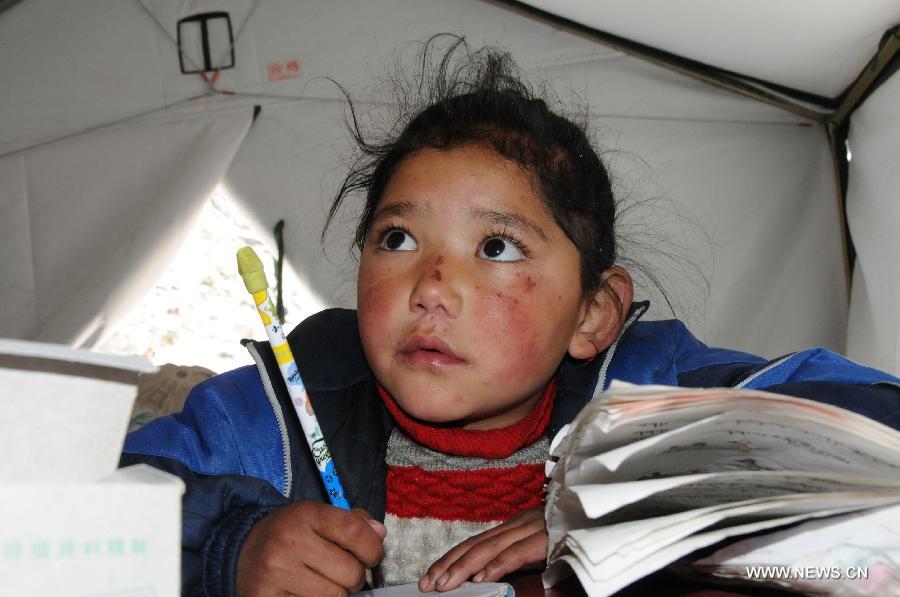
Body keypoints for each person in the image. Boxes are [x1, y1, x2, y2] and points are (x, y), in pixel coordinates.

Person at [121, 36, 900, 597]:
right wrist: (230, 549)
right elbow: (92, 503)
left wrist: (622, 494)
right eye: (397, 237)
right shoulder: (280, 410)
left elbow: (877, 438)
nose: (432, 284)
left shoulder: (650, 381)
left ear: (593, 313)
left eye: (495, 246)